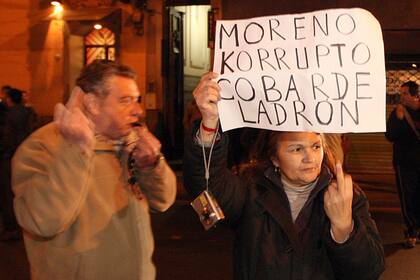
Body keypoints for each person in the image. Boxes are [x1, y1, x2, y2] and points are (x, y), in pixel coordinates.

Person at [184, 72, 385, 280]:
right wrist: (209, 122)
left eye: (316, 146)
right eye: (297, 149)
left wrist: (344, 228)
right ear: (274, 158)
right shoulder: (251, 190)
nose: (310, 158)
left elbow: (370, 270)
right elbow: (206, 186)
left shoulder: (345, 194)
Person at [12, 60, 177, 279]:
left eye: (137, 100)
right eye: (125, 101)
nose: (138, 110)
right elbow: (41, 222)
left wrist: (151, 165)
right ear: (92, 103)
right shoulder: (43, 146)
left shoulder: (131, 143)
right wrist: (74, 149)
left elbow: (164, 200)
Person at [385, 81, 420, 249]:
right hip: (404, 162)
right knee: (407, 197)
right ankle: (411, 231)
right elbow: (390, 136)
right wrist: (399, 119)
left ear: (415, 95)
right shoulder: (397, 112)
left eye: (405, 93)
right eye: (402, 93)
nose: (402, 96)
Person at [0, 87, 34, 241]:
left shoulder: (8, 115)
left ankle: (11, 228)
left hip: (10, 156)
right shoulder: (30, 112)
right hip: (28, 155)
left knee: (8, 194)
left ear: (9, 99)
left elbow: (7, 137)